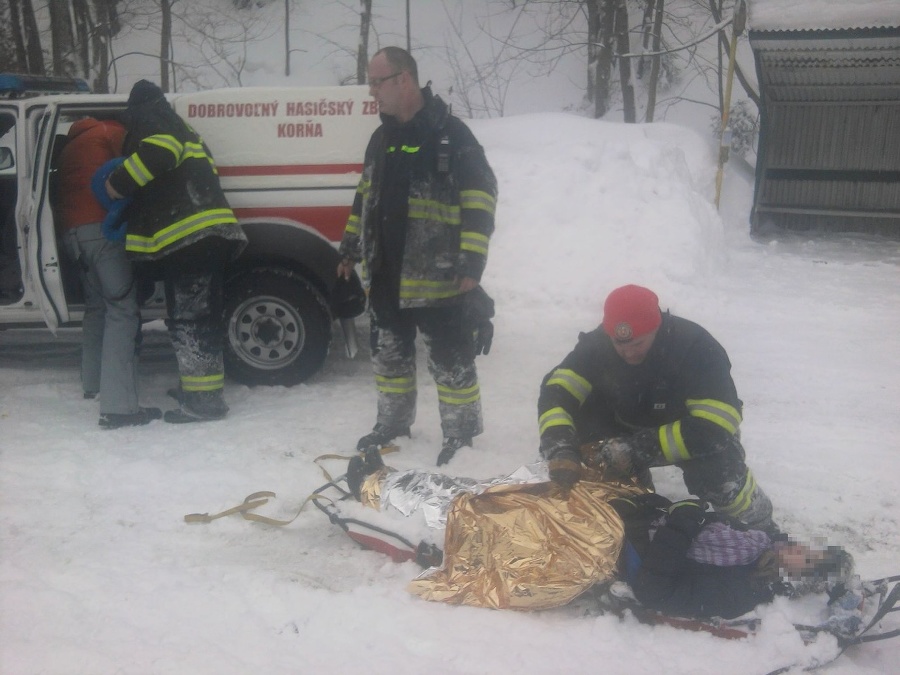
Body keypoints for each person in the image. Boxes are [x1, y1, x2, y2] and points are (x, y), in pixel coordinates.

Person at [346, 454, 858, 626]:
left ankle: (376, 489)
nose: (796, 545)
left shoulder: (739, 587)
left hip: (602, 549)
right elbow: (695, 527)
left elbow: (657, 588)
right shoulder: (756, 548)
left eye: (805, 556)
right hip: (624, 519)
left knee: (494, 514)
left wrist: (681, 521)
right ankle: (391, 479)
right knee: (517, 487)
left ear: (791, 574)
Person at [337, 47, 498, 465]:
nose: (372, 91)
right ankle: (392, 425)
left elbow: (481, 198)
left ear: (404, 80)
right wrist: (350, 248)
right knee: (389, 356)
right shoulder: (381, 138)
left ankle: (461, 436)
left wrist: (472, 263)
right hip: (386, 272)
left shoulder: (453, 135)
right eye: (370, 83)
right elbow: (365, 196)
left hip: (439, 276)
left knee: (450, 360)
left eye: (377, 81)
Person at [538, 284, 779, 534]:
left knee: (717, 476)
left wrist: (638, 449)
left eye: (638, 343)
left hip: (689, 431)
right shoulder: (597, 345)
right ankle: (633, 500)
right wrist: (560, 445)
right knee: (595, 467)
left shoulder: (695, 347)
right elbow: (557, 391)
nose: (628, 353)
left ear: (657, 328)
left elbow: (715, 426)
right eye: (620, 345)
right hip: (623, 423)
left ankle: (759, 522)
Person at [105, 80, 247, 423]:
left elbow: (159, 154)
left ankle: (205, 403)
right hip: (201, 239)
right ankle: (197, 391)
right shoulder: (181, 127)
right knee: (192, 318)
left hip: (191, 240)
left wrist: (117, 183)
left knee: (193, 322)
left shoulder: (155, 124)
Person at [57, 117, 161, 428]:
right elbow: (136, 169)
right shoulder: (109, 132)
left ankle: (93, 384)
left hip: (72, 235)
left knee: (97, 307)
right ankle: (120, 408)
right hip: (101, 230)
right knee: (123, 310)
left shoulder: (69, 147)